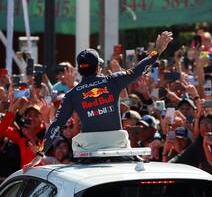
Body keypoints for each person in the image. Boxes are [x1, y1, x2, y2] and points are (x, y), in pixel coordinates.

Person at [23, 31, 173, 172]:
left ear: (79, 70)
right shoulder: (112, 81)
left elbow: (56, 126)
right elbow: (137, 70)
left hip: (87, 154)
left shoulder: (71, 95)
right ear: (98, 67)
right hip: (118, 148)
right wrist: (157, 51)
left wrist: (39, 155)